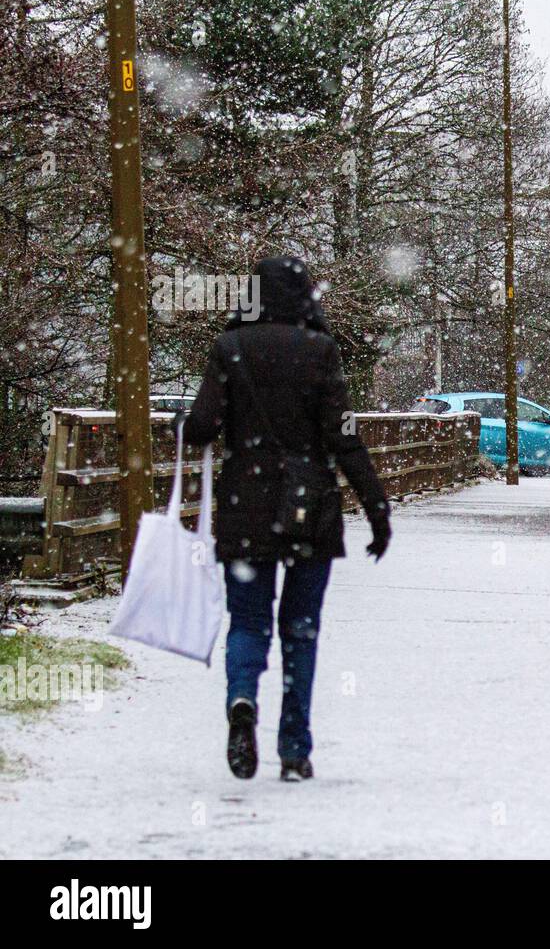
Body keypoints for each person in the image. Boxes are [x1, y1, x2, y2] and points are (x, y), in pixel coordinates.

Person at [183, 256, 391, 782]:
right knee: (301, 630)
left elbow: (203, 427)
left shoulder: (230, 349)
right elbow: (345, 437)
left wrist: (186, 423)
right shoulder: (320, 351)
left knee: (248, 623)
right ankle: (295, 748)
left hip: (244, 509)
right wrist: (376, 508)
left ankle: (241, 700)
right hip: (309, 507)